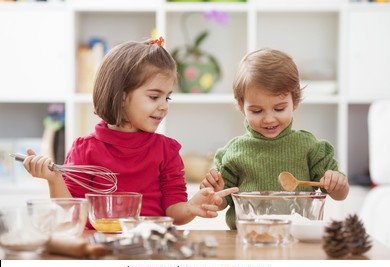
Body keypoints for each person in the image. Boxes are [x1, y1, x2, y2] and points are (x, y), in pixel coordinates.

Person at [22, 37, 238, 226]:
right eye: (154, 97)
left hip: (150, 248)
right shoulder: (85, 149)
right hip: (99, 248)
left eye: (167, 97)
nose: (164, 105)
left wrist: (191, 206)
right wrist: (53, 179)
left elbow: (174, 212)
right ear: (122, 96)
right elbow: (72, 210)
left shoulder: (167, 150)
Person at [200, 48, 349, 229]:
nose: (269, 119)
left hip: (296, 240)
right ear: (242, 107)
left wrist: (337, 183)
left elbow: (339, 195)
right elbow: (221, 203)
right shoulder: (233, 152)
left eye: (279, 109)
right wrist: (216, 193)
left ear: (294, 102)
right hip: (249, 238)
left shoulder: (309, 146)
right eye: (257, 111)